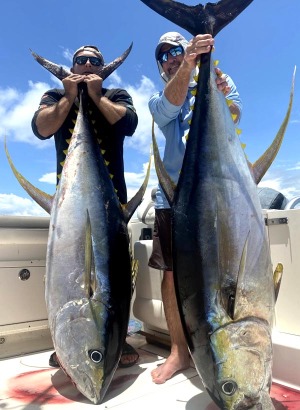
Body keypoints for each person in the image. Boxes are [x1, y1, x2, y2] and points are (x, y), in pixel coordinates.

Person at [31, 44, 139, 368]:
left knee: (115, 277)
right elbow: (42, 127)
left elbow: (128, 124)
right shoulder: (55, 94)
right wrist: (69, 96)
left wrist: (94, 95)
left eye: (95, 60)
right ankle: (69, 337)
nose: (88, 63)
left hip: (112, 208)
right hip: (71, 207)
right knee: (68, 273)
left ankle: (117, 338)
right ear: (73, 64)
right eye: (81, 59)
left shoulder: (115, 93)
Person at [148, 32, 242, 384]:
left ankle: (222, 343)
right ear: (161, 67)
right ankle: (179, 351)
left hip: (217, 196)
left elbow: (235, 114)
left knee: (224, 273)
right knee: (171, 275)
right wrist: (187, 64)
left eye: (177, 49)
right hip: (173, 200)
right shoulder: (160, 98)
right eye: (165, 56)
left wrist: (218, 94)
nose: (172, 56)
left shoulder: (220, 78)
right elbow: (166, 111)